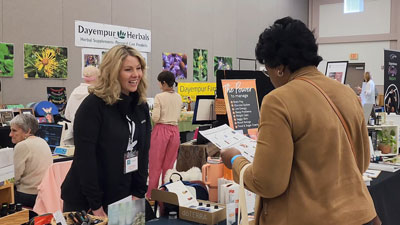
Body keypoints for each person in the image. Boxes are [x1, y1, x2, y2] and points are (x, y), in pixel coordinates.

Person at [221, 17, 376, 225]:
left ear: (279, 68)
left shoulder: (278, 101)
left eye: (267, 71)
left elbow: (268, 183)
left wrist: (235, 161)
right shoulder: (347, 93)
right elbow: (362, 162)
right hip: (361, 214)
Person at [61, 45, 151, 217]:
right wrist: (95, 205)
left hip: (124, 194)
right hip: (88, 199)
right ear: (113, 72)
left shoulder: (140, 105)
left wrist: (139, 192)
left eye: (139, 68)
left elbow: (143, 152)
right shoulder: (93, 106)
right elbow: (85, 159)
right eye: (128, 69)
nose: (136, 75)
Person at [146, 71, 182, 199]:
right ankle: (165, 193)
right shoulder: (178, 97)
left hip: (161, 130)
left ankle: (151, 194)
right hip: (175, 131)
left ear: (164, 83)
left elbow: (155, 118)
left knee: (155, 165)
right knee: (169, 166)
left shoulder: (159, 97)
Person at [9, 114, 53, 208]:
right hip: (44, 194)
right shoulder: (42, 141)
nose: (10, 134)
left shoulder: (22, 146)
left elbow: (14, 178)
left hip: (28, 195)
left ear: (27, 131)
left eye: (14, 130)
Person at [64, 65, 100, 145]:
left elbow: (67, 115)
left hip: (75, 131)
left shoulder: (75, 91)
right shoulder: (96, 93)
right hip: (93, 133)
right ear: (97, 77)